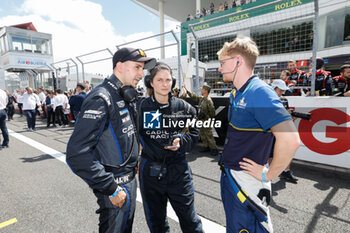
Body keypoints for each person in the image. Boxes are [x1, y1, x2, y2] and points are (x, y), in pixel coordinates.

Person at [66, 47, 156, 233]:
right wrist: (111, 187)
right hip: (115, 185)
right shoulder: (101, 98)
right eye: (137, 67)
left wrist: (133, 156)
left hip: (129, 179)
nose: (142, 73)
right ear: (120, 66)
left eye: (142, 69)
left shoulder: (125, 93)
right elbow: (77, 154)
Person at [217, 36, 300, 233]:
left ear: (238, 61)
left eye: (222, 63)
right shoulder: (239, 92)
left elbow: (291, 139)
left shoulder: (258, 92)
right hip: (232, 175)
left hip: (246, 181)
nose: (219, 68)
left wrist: (269, 174)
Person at [138, 62, 203, 233]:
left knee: (190, 221)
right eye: (159, 80)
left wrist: (181, 141)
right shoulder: (140, 107)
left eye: (168, 80)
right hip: (151, 172)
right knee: (156, 223)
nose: (165, 84)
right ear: (150, 82)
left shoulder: (184, 107)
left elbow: (195, 132)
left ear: (172, 82)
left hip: (178, 171)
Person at [270, 80, 298, 183]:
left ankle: (286, 171)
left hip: (284, 130)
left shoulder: (284, 100)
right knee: (269, 153)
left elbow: (286, 115)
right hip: (270, 130)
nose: (283, 92)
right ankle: (266, 173)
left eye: (283, 90)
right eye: (280, 90)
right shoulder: (267, 99)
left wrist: (291, 117)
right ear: (273, 88)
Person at [183, 84, 219, 156]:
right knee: (202, 133)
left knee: (209, 134)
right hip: (201, 120)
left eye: (202, 89)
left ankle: (214, 149)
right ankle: (206, 146)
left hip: (206, 120)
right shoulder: (202, 98)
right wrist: (187, 91)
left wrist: (207, 117)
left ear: (206, 90)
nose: (201, 90)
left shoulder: (208, 100)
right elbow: (194, 97)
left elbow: (212, 112)